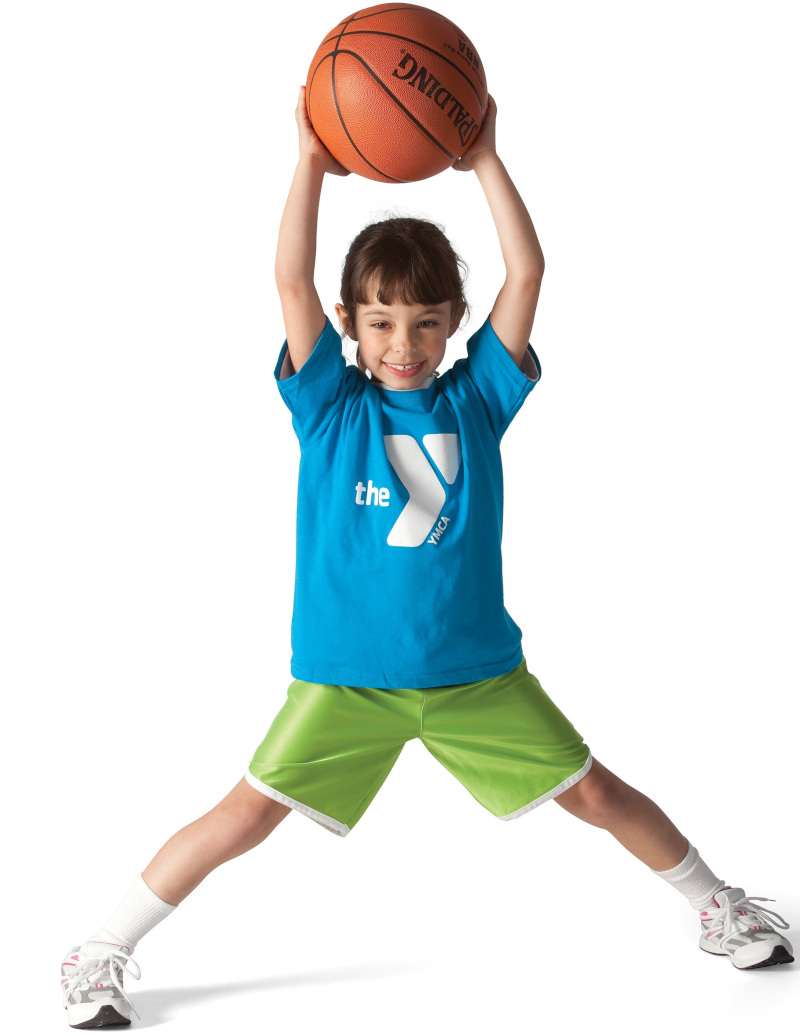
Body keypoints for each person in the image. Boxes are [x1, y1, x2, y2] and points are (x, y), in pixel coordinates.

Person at [60, 89, 793, 1029]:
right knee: (243, 816)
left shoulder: (479, 399)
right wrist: (311, 166)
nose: (401, 344)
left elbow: (528, 273)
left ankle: (718, 908)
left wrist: (485, 157)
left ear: (453, 322)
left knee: (597, 791)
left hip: (476, 674)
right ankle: (100, 950)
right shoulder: (329, 406)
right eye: (378, 323)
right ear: (348, 324)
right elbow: (288, 285)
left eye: (423, 322)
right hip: (345, 682)